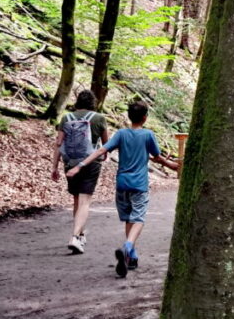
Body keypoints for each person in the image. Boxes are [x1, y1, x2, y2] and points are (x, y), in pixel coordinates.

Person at [68, 100, 178, 278]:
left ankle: (131, 256)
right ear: (145, 117)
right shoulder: (148, 135)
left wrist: (79, 165)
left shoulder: (121, 134)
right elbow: (157, 157)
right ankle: (127, 246)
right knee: (139, 218)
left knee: (128, 218)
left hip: (122, 184)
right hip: (139, 184)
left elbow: (100, 151)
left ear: (129, 116)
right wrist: (172, 166)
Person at [51, 89, 110, 255]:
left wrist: (54, 166)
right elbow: (106, 144)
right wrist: (103, 155)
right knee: (85, 200)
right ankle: (75, 237)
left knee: (77, 199)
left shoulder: (66, 118)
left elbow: (58, 143)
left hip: (70, 163)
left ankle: (81, 234)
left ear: (77, 102)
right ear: (93, 103)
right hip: (90, 163)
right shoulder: (99, 118)